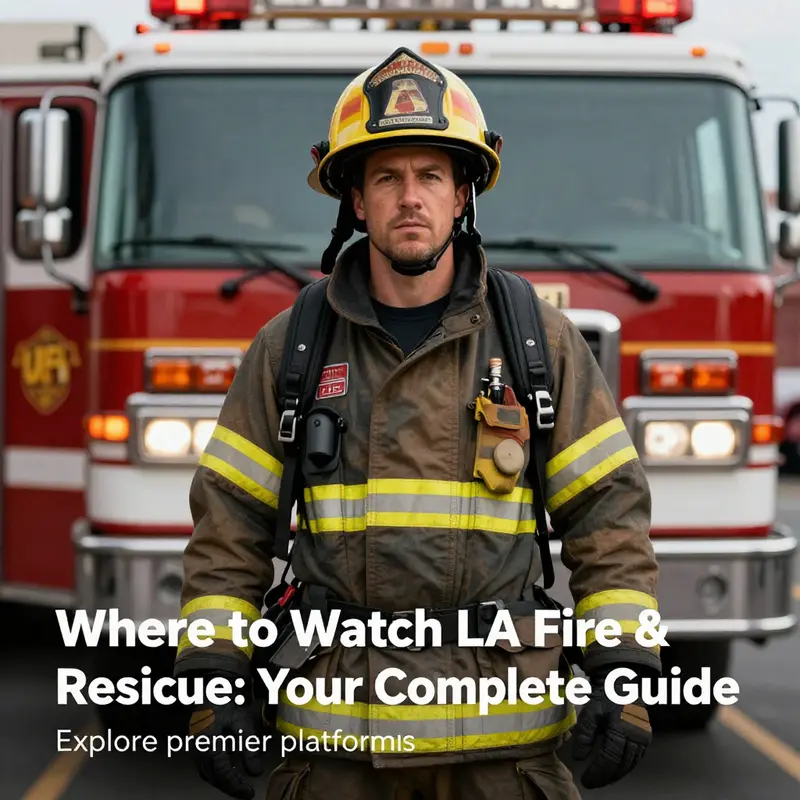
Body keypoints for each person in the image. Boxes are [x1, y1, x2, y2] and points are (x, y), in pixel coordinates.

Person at [174, 47, 661, 800]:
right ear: (354, 199)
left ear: (463, 194)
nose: (410, 198)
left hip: (503, 753)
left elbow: (609, 514)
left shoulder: (539, 341)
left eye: (431, 175)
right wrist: (213, 677)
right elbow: (228, 529)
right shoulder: (290, 347)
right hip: (338, 751)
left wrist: (623, 666)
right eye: (386, 178)